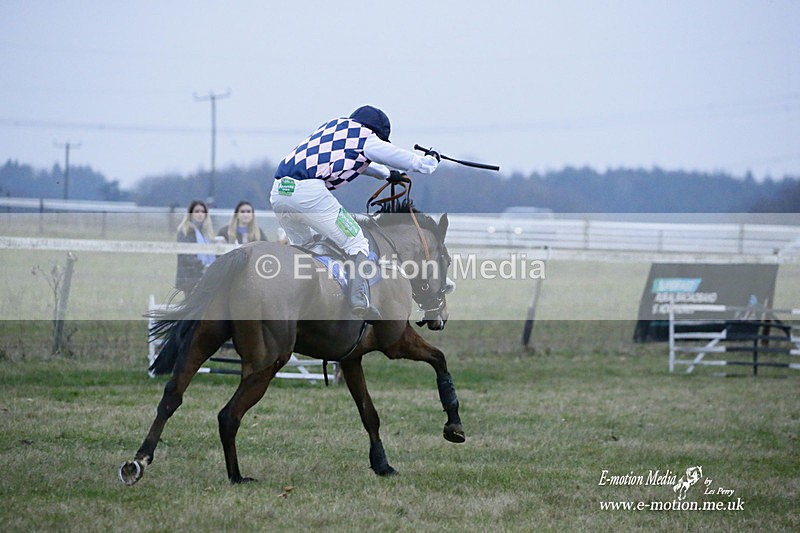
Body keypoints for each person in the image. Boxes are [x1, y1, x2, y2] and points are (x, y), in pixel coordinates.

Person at [269, 105, 440, 320]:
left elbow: (363, 163)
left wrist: (388, 175)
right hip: (308, 192)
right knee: (357, 242)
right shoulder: (366, 137)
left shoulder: (335, 128)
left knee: (306, 251)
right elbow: (392, 155)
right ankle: (359, 300)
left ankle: (293, 304)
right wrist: (426, 163)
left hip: (279, 192)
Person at [175, 199, 216, 295]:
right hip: (190, 277)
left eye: (202, 211)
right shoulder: (185, 231)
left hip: (208, 277)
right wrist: (203, 267)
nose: (200, 214)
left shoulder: (207, 233)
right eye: (197, 211)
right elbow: (186, 255)